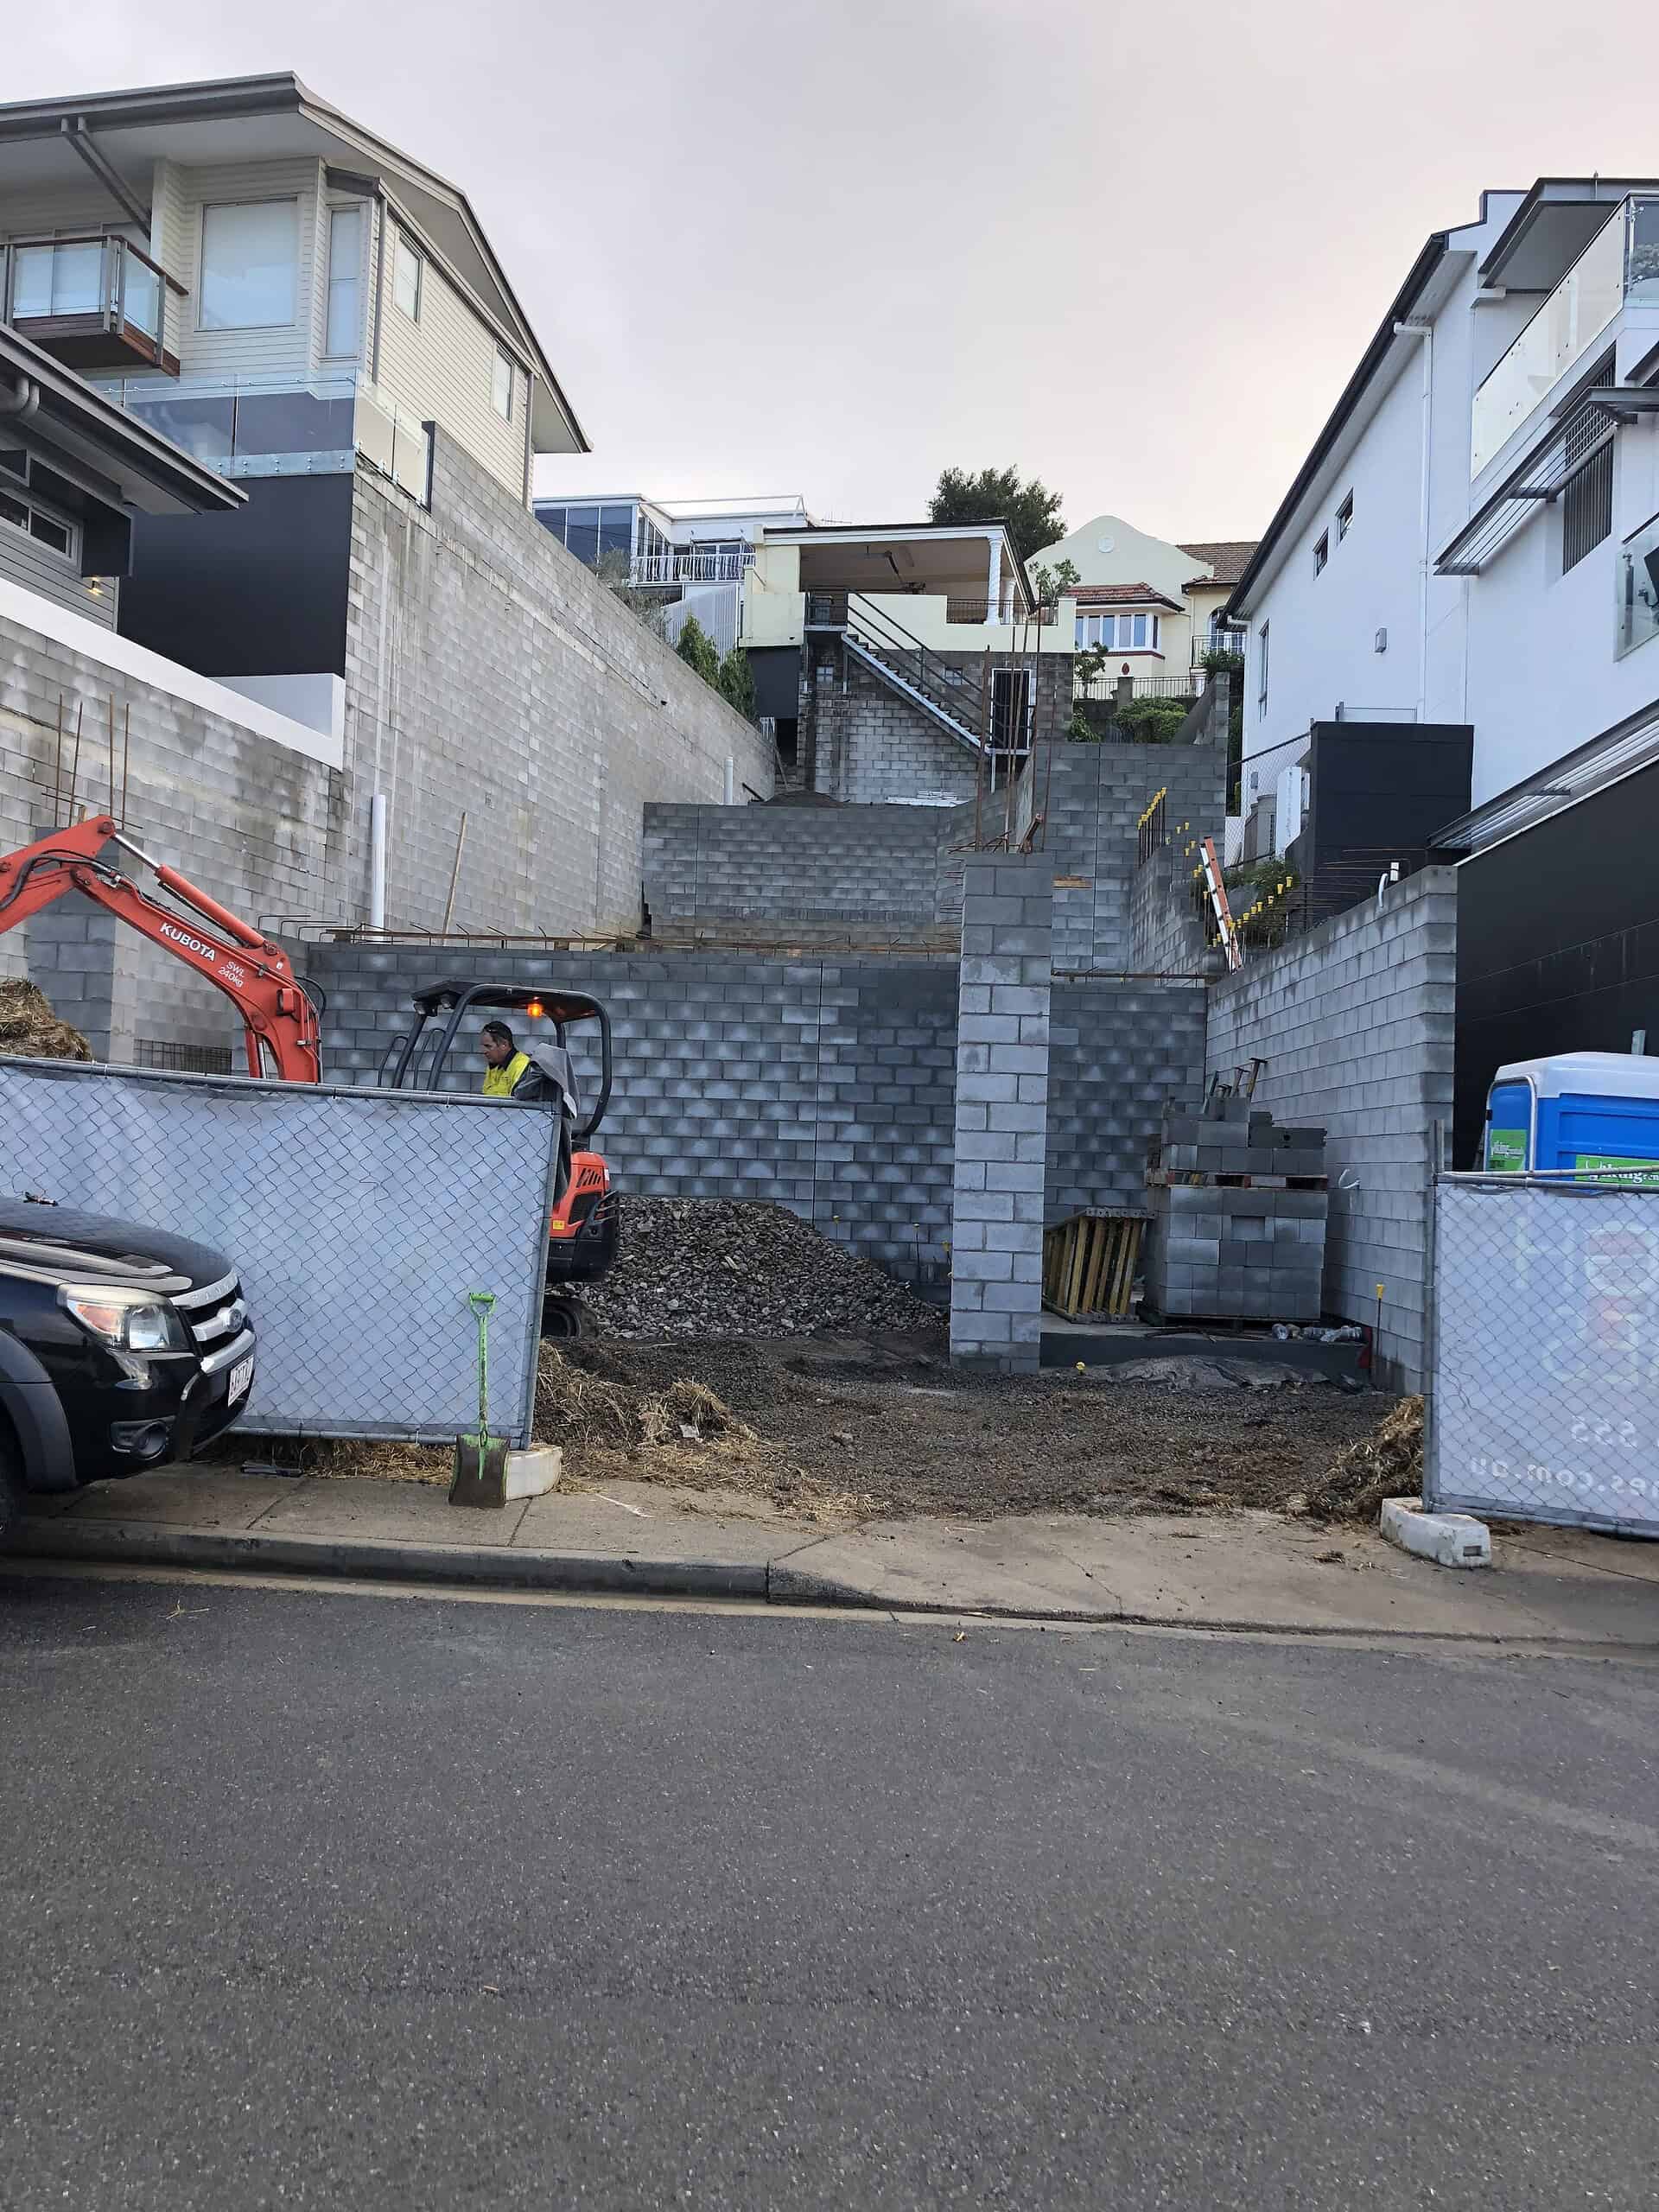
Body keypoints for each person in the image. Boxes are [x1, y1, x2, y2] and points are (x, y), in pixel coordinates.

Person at [478, 1020, 531, 1097]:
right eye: (483, 1046)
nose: (484, 1051)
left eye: (488, 1046)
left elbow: (518, 1102)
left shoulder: (521, 1067)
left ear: (504, 1045)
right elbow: (485, 1096)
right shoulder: (493, 1065)